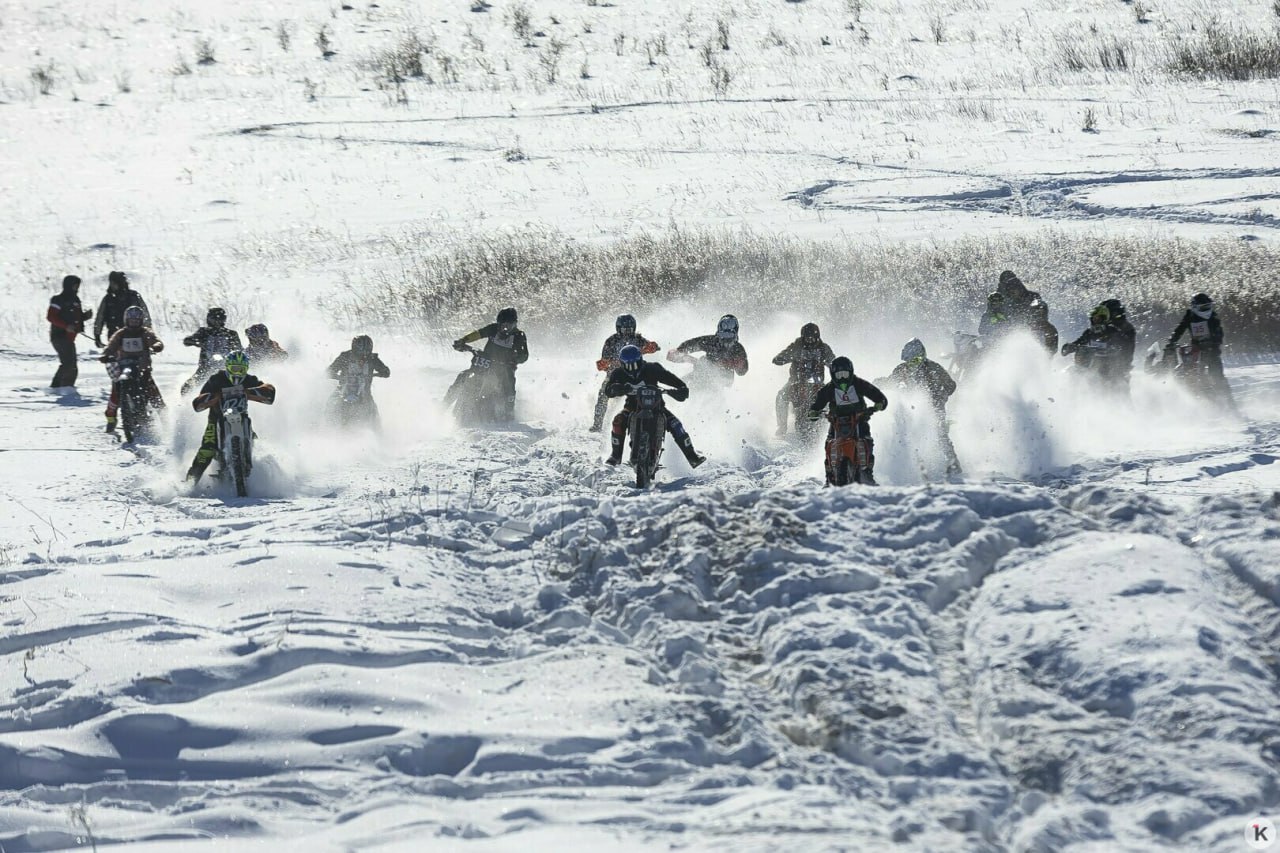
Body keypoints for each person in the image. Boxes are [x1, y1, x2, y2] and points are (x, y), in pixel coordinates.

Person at [604, 345, 706, 468]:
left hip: (657, 407)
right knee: (618, 420)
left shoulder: (652, 369)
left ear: (641, 360)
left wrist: (680, 390)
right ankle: (615, 455)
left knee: (676, 425)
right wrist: (618, 388)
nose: (632, 369)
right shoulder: (618, 373)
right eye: (628, 366)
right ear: (622, 364)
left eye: (635, 364)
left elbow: (676, 382)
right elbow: (608, 390)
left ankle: (692, 456)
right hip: (631, 407)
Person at [185, 350, 276, 484]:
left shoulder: (249, 379)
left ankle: (263, 478)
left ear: (246, 368)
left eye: (241, 369)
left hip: (242, 418)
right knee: (207, 449)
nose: (237, 373)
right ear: (227, 367)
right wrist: (215, 396)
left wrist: (250, 392)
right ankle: (189, 483)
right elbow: (198, 403)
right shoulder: (216, 379)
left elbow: (269, 392)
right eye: (234, 368)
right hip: (216, 419)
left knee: (257, 443)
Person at [807, 355, 888, 485]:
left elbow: (878, 396)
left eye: (845, 374)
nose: (842, 378)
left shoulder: (859, 384)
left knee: (867, 441)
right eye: (839, 375)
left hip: (859, 419)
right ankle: (829, 477)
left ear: (851, 373)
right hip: (836, 421)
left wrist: (880, 404)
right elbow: (817, 404)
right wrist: (813, 411)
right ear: (833, 375)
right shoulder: (828, 389)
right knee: (829, 443)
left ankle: (868, 473)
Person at [886, 338, 961, 476]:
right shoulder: (901, 369)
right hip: (909, 409)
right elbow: (891, 381)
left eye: (917, 360)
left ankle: (953, 464)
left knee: (940, 433)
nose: (913, 364)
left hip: (935, 407)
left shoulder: (933, 368)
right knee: (903, 431)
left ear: (923, 356)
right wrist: (878, 383)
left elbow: (951, 385)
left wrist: (941, 396)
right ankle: (907, 463)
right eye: (910, 361)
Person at [448, 307, 529, 420]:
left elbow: (524, 355)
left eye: (508, 325)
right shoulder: (493, 329)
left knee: (508, 384)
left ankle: (509, 412)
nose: (505, 328)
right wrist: (463, 340)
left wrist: (514, 359)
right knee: (463, 375)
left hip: (504, 369)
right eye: (502, 325)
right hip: (485, 362)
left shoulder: (519, 336)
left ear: (514, 324)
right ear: (498, 324)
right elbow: (478, 334)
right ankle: (445, 403)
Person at [99, 305, 165, 433]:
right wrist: (105, 354)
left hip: (142, 369)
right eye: (131, 320)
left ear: (141, 321)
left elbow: (156, 341)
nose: (134, 323)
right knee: (115, 392)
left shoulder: (145, 333)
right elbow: (111, 345)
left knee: (153, 393)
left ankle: (165, 418)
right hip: (123, 368)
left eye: (136, 321)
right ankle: (111, 417)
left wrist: (156, 346)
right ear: (126, 320)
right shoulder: (121, 334)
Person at [1165, 292, 1236, 408]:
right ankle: (1201, 401)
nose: (1206, 309)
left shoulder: (1213, 317)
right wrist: (1171, 342)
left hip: (1212, 350)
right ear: (1195, 307)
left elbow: (1219, 333)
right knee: (1194, 374)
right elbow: (1180, 329)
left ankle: (1230, 404)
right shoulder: (1190, 316)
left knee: (1217, 376)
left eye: (1207, 306)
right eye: (1203, 307)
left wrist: (1214, 342)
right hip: (1196, 350)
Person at [592, 314, 660, 432]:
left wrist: (653, 346)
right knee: (603, 394)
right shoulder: (611, 341)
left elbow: (652, 346)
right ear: (618, 329)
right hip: (615, 375)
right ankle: (597, 424)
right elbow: (604, 361)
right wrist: (608, 364)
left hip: (636, 373)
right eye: (625, 330)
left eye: (630, 329)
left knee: (650, 390)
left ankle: (652, 421)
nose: (628, 332)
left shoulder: (638, 339)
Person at [772, 322, 834, 436]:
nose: (810, 341)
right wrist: (783, 358)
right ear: (803, 337)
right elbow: (779, 358)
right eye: (807, 338)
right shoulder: (796, 346)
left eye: (812, 338)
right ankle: (782, 426)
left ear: (817, 337)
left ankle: (832, 426)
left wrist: (836, 367)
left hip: (817, 384)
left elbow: (834, 362)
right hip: (795, 382)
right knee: (781, 396)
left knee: (833, 398)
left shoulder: (824, 348)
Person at [1061, 304, 1130, 394]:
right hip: (1090, 365)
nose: (1095, 321)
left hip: (1108, 365)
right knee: (1074, 371)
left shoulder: (1113, 331)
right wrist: (1070, 347)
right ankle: (1071, 392)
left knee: (1109, 378)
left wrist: (1110, 350)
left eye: (1098, 319)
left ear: (1104, 319)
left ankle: (1111, 394)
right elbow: (1079, 342)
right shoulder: (1089, 333)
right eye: (1094, 319)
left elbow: (1120, 346)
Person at [668, 314, 749, 388]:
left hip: (720, 384)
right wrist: (679, 350)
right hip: (700, 375)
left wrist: (738, 365)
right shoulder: (712, 341)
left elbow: (742, 372)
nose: (726, 341)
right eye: (723, 336)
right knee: (677, 385)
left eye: (730, 336)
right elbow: (692, 344)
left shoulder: (738, 349)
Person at [327, 335, 390, 425]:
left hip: (364, 393)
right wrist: (335, 375)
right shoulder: (345, 357)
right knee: (330, 403)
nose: (363, 356)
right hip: (343, 390)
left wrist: (383, 372)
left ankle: (376, 430)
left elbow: (386, 371)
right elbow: (330, 370)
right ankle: (324, 425)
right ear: (354, 349)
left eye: (366, 353)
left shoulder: (373, 359)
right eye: (360, 353)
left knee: (373, 412)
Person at [181, 307, 243, 395]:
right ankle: (185, 401)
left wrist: (236, 352)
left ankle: (238, 399)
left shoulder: (231, 334)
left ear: (223, 319)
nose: (216, 321)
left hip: (226, 366)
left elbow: (239, 349)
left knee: (238, 384)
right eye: (214, 318)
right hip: (206, 366)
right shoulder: (204, 332)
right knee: (188, 385)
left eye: (219, 318)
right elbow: (187, 341)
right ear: (209, 319)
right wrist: (196, 342)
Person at [996, 270, 1058, 353]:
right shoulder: (1002, 299)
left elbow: (1040, 304)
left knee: (1050, 330)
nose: (1012, 292)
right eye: (1010, 290)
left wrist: (1036, 310)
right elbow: (996, 312)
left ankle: (1049, 353)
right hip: (1011, 326)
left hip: (1032, 322)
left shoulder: (1032, 296)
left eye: (1014, 289)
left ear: (1019, 288)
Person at [48, 274, 91, 389]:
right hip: (59, 336)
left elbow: (75, 317)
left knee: (70, 364)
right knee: (69, 364)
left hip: (69, 338)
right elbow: (51, 317)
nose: (77, 288)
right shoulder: (58, 299)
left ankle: (61, 387)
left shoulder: (75, 300)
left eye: (78, 286)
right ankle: (63, 388)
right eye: (75, 286)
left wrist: (85, 316)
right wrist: (66, 326)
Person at [93, 271, 150, 347]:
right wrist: (97, 335)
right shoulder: (108, 299)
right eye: (111, 283)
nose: (112, 285)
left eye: (114, 283)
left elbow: (144, 314)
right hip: (114, 336)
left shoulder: (133, 296)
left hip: (135, 334)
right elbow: (100, 317)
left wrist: (148, 332)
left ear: (120, 283)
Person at [1101, 298, 1137, 383]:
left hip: (1119, 364)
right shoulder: (1107, 325)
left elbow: (1125, 347)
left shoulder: (1125, 327)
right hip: (1105, 360)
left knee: (1117, 382)